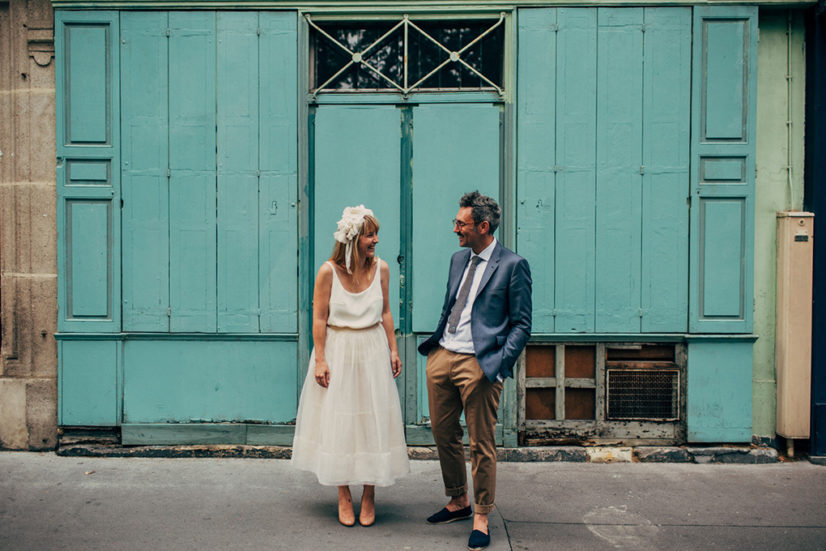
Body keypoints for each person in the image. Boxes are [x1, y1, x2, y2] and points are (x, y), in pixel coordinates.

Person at [418, 191, 532, 551]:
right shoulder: (457, 259)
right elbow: (449, 304)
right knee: (443, 433)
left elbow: (522, 325)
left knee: (481, 444)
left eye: (461, 224)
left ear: (483, 226)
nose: (455, 229)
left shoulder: (513, 265)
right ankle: (458, 501)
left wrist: (498, 367)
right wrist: (437, 347)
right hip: (444, 355)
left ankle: (481, 514)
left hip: (480, 364)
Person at [291, 205, 410, 527]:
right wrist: (320, 359)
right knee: (340, 420)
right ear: (354, 238)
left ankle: (369, 493)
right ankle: (344, 493)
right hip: (339, 348)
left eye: (376, 234)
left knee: (374, 418)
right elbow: (318, 317)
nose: (376, 240)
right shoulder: (328, 271)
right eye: (370, 234)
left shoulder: (382, 268)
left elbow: (386, 312)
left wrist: (393, 350)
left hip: (371, 348)